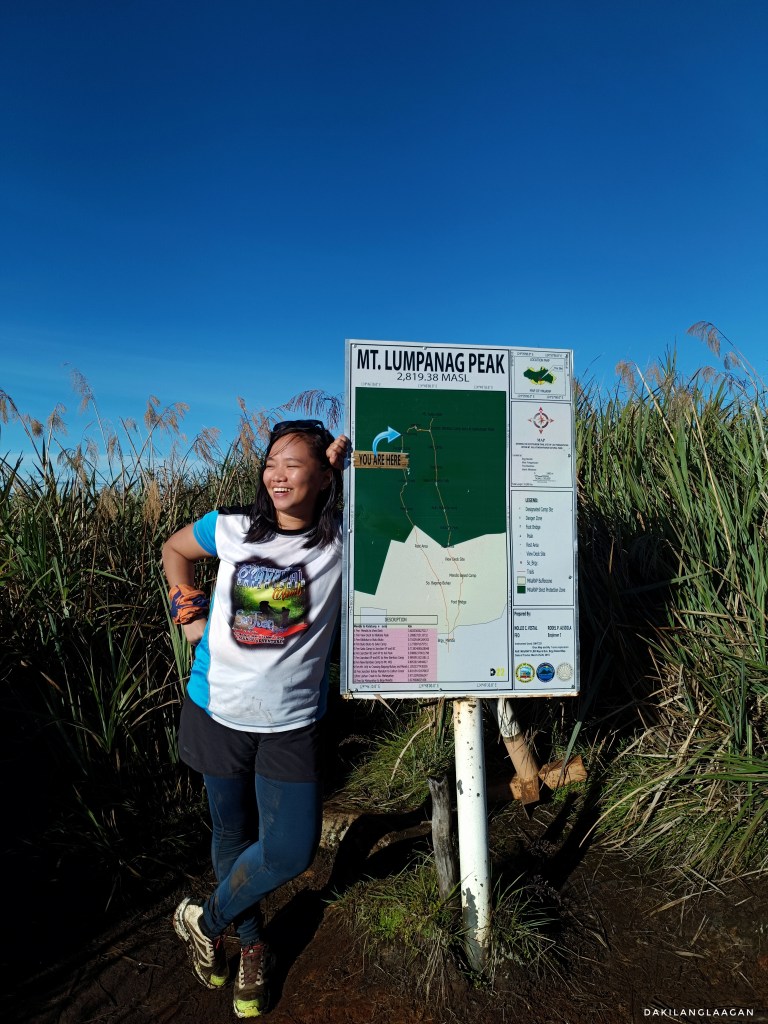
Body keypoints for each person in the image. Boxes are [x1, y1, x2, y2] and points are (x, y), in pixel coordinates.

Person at [163, 419, 349, 1019]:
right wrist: (187, 614)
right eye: (272, 462)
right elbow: (175, 550)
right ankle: (249, 945)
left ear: (322, 475)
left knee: (292, 851)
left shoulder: (343, 542)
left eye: (295, 464)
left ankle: (205, 921)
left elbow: (410, 498)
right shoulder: (234, 528)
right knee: (231, 833)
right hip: (217, 710)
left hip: (291, 724)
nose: (277, 474)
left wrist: (353, 470)